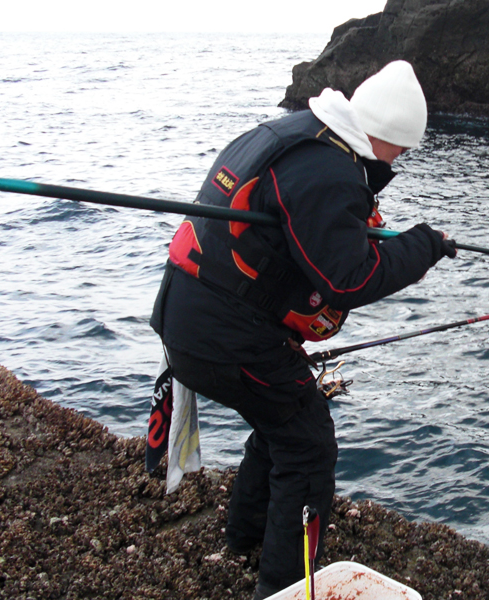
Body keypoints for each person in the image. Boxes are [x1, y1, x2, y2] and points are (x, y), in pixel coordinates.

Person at [149, 60, 456, 599]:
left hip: (187, 319)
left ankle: (244, 542)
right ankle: (286, 584)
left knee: (281, 426)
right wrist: (424, 245)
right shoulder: (328, 171)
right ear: (387, 136)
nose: (398, 162)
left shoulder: (293, 133)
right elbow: (349, 278)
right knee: (308, 441)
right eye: (402, 151)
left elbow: (292, 233)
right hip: (225, 336)